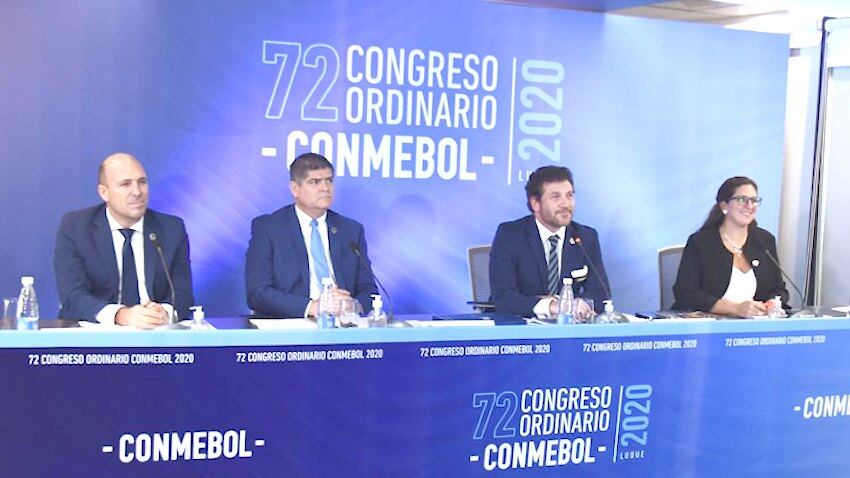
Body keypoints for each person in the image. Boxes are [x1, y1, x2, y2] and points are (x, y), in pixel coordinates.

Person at [54, 153, 194, 328]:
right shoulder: (76, 228)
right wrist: (121, 315)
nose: (137, 192)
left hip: (154, 334)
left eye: (142, 182)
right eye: (125, 184)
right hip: (96, 335)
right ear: (104, 193)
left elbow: (182, 294)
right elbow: (72, 296)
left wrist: (163, 313)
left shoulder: (171, 229)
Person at [245, 152, 378, 318]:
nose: (325, 188)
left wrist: (351, 305)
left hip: (342, 323)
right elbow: (258, 293)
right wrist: (312, 307)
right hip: (290, 323)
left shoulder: (351, 230)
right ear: (295, 189)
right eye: (315, 182)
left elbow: (369, 290)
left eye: (329, 180)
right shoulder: (269, 228)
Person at [489, 166, 609, 318]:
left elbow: (601, 294)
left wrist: (578, 304)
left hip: (568, 327)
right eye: (556, 197)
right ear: (535, 203)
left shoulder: (585, 237)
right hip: (521, 325)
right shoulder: (510, 235)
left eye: (569, 195)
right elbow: (504, 298)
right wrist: (551, 306)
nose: (566, 204)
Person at [672, 176, 789, 316]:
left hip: (756, 324)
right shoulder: (700, 243)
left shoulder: (765, 241)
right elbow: (686, 294)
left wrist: (773, 302)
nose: (750, 206)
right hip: (711, 325)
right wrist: (735, 309)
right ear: (724, 205)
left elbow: (779, 289)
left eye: (754, 200)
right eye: (742, 200)